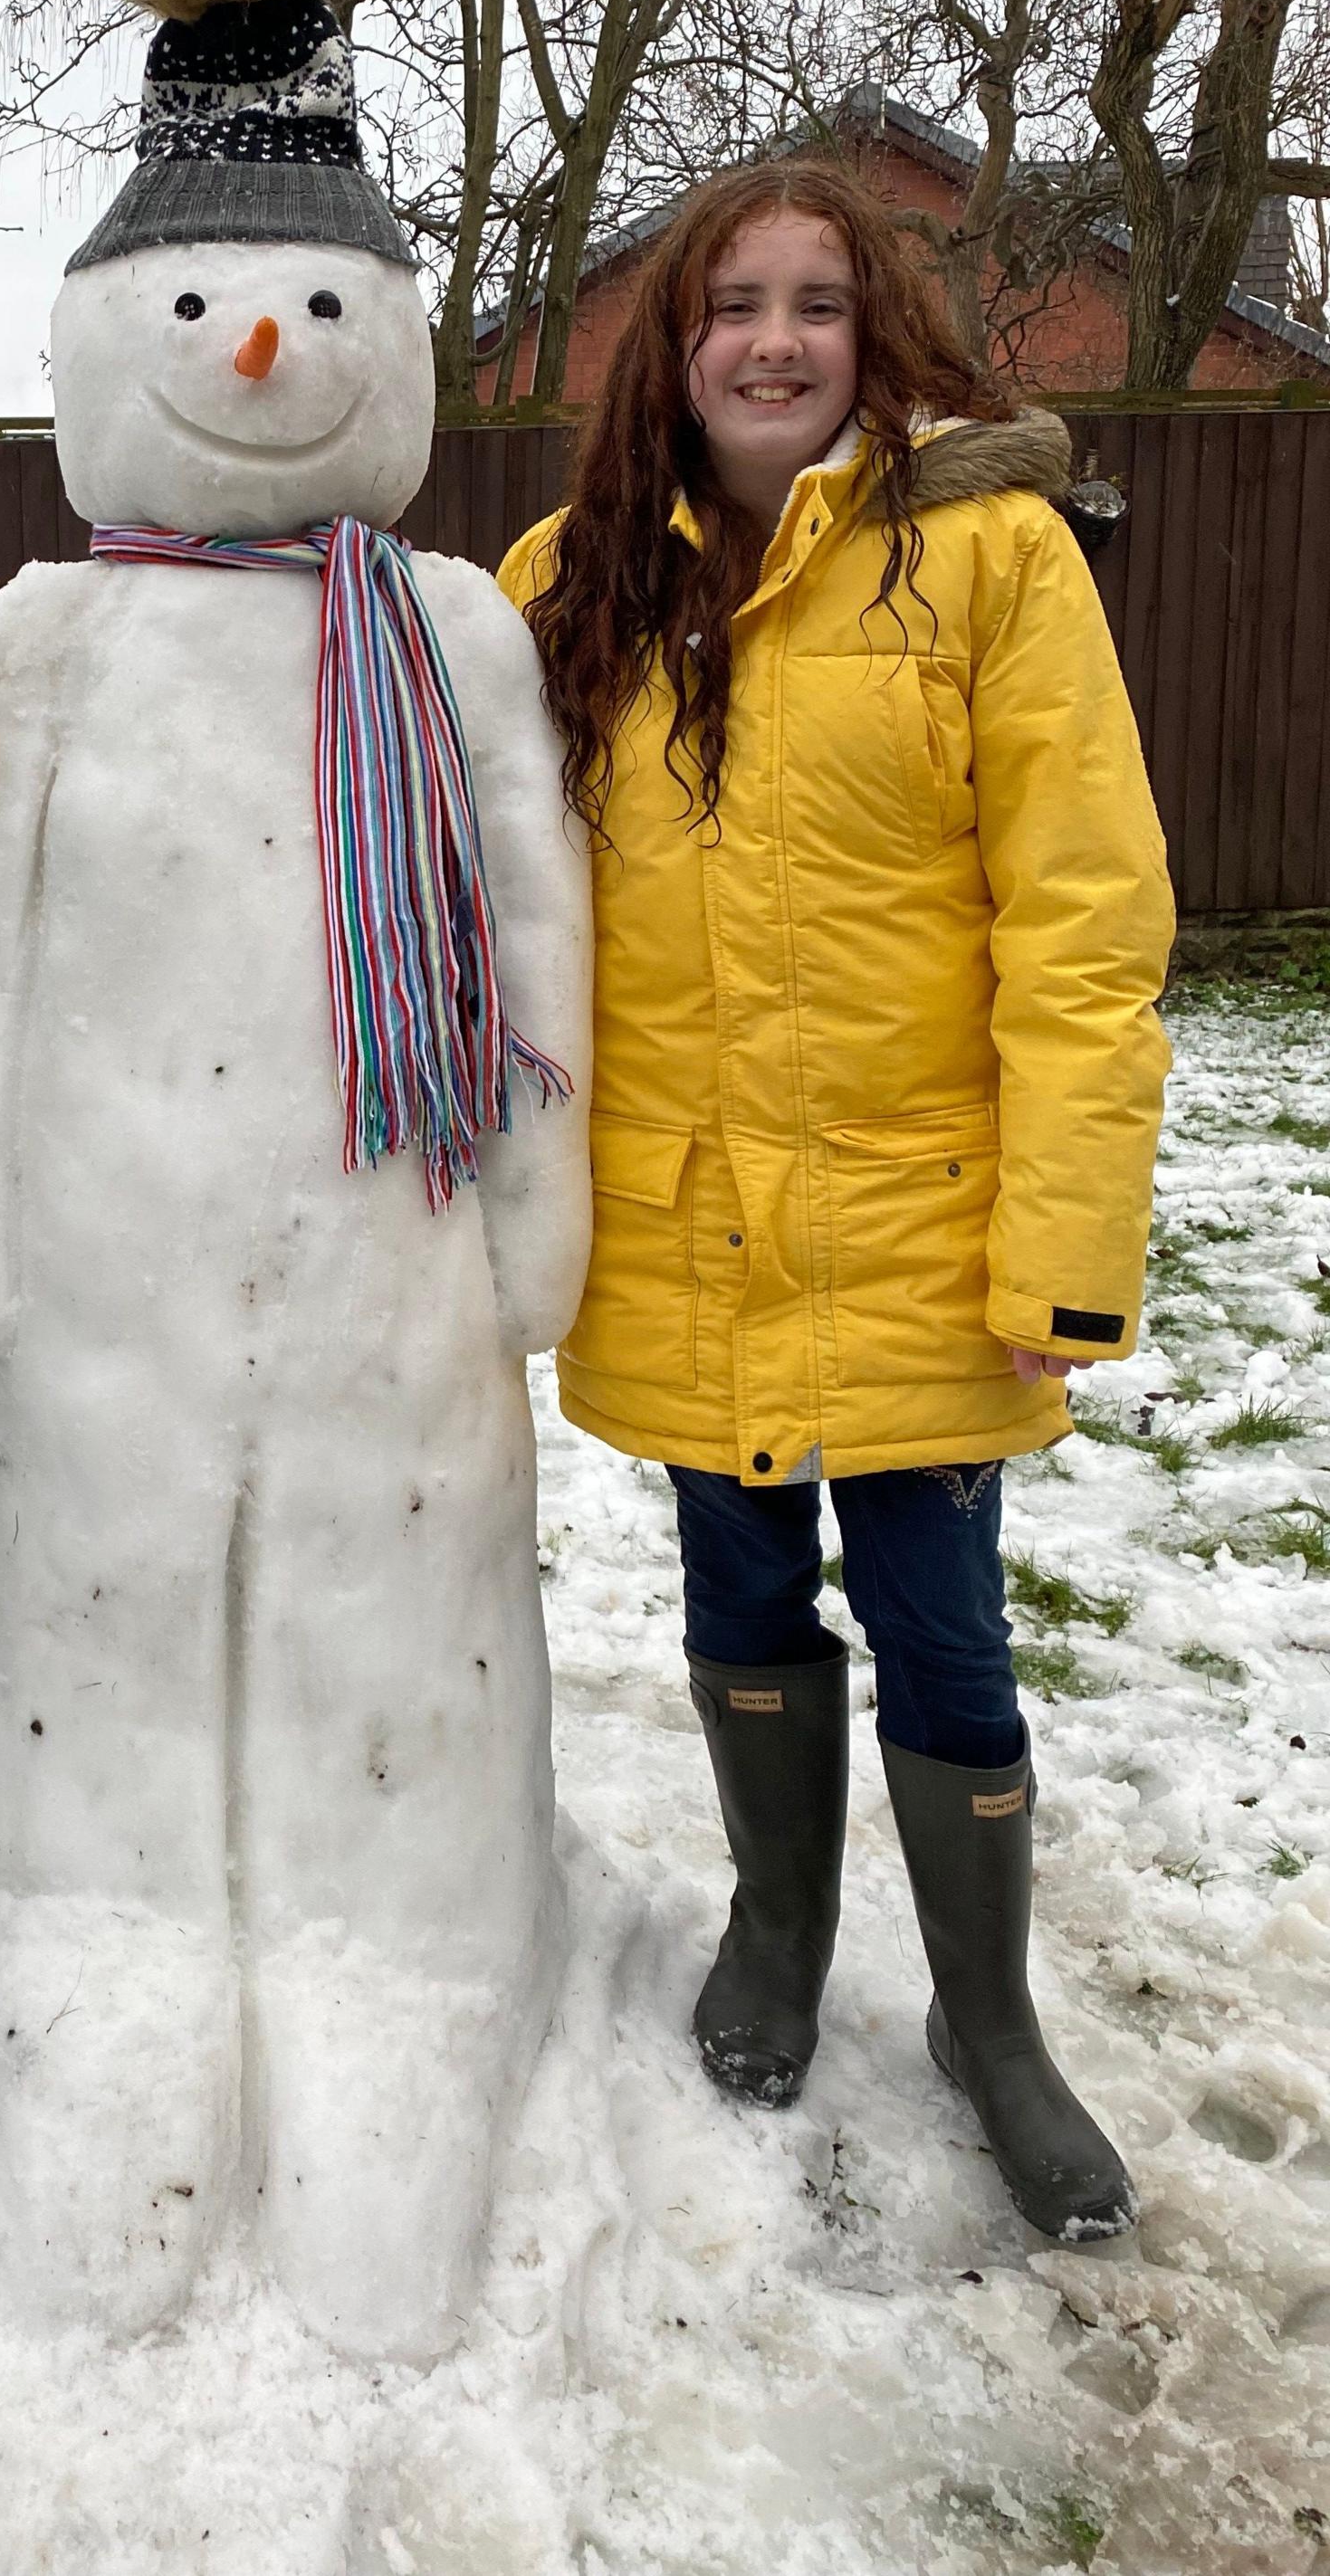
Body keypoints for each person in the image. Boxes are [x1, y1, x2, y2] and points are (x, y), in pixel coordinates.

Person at [498, 162, 1172, 2244]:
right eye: (729, 307)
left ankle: (989, 2023)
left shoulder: (987, 560)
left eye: (815, 305)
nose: (772, 343)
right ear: (668, 349)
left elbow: (1081, 917)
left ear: (875, 338)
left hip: (916, 1228)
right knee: (733, 1597)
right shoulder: (567, 576)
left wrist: (1055, 1250)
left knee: (944, 1637)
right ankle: (775, 1934)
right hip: (687, 1220)